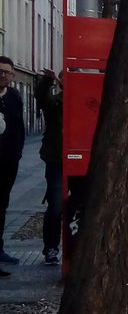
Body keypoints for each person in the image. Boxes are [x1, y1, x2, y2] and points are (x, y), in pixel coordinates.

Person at [35, 69, 63, 266]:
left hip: (83, 159)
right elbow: (41, 97)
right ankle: (51, 248)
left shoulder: (86, 99)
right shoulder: (55, 102)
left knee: (83, 205)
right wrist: (47, 81)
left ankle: (78, 245)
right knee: (55, 206)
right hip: (56, 160)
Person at [0, 56, 25, 271]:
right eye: (0, 71)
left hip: (8, 161)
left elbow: (19, 126)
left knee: (2, 205)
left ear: (12, 75)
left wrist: (17, 152)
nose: (3, 75)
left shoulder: (15, 96)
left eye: (7, 72)